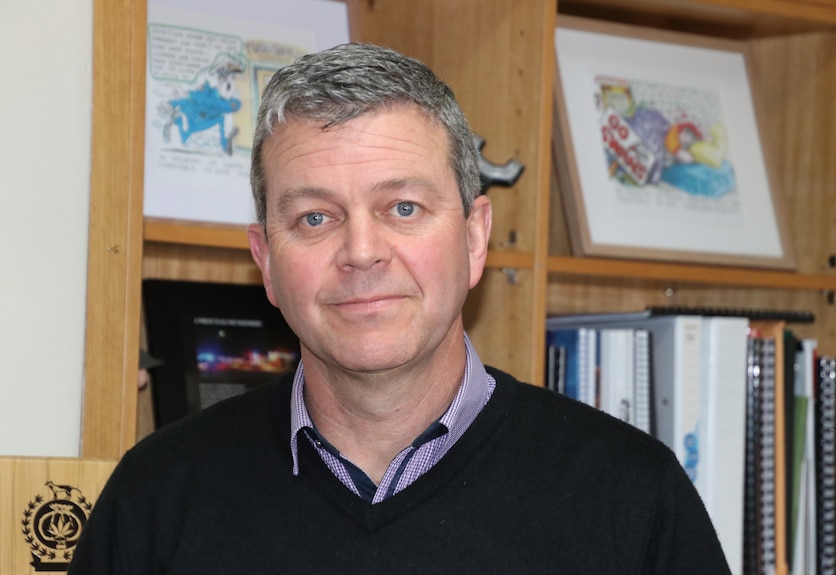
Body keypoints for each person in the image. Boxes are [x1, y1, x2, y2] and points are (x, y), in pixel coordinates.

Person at [69, 43, 731, 574]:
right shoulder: (156, 494)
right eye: (315, 216)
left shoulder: (630, 495)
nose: (361, 252)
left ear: (474, 238)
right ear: (266, 260)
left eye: (403, 208)